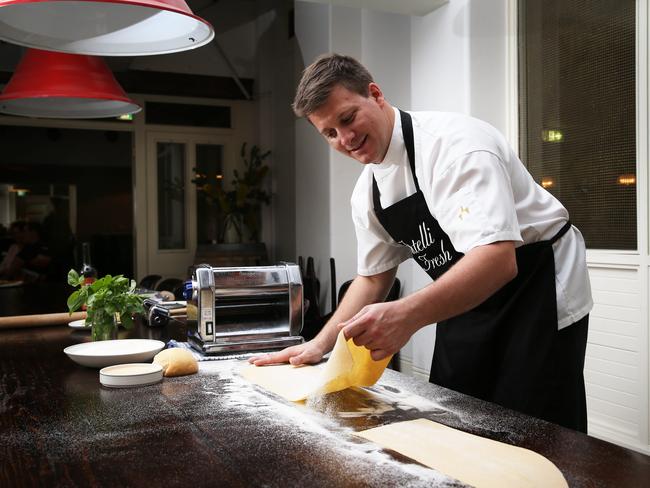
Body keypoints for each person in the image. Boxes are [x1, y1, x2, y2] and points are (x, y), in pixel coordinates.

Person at [250, 53, 593, 432]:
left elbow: (497, 260)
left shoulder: (455, 147)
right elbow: (373, 279)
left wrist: (406, 316)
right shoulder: (368, 193)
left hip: (536, 287)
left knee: (536, 422)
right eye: (329, 133)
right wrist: (321, 344)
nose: (345, 140)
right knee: (457, 412)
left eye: (347, 118)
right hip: (467, 295)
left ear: (375, 94)